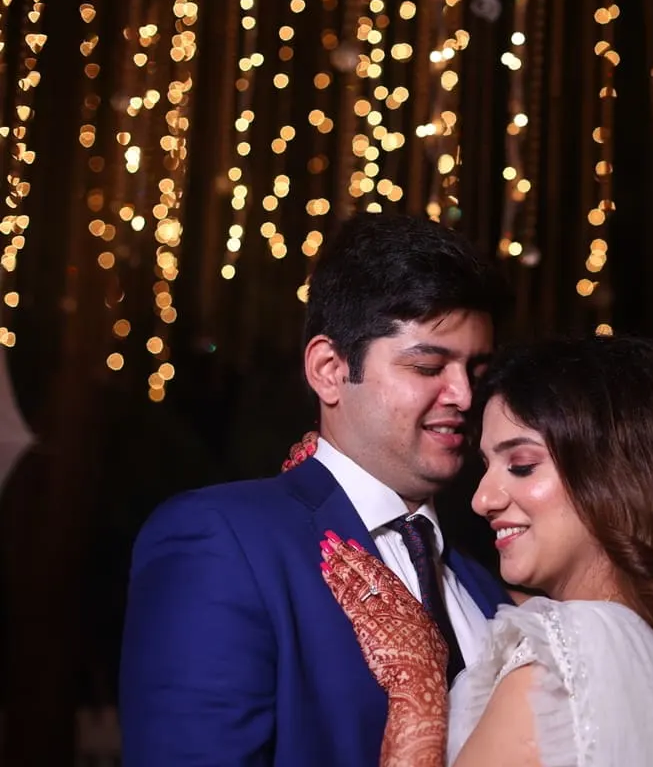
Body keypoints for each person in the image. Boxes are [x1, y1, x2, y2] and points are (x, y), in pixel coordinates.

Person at [312, 334, 653, 766]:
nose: (482, 499)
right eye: (486, 466)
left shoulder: (564, 663)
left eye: (522, 466)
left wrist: (415, 689)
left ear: (616, 476)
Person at [119, 213, 513, 766]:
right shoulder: (223, 542)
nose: (464, 396)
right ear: (329, 369)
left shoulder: (486, 589)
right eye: (428, 367)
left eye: (477, 371)